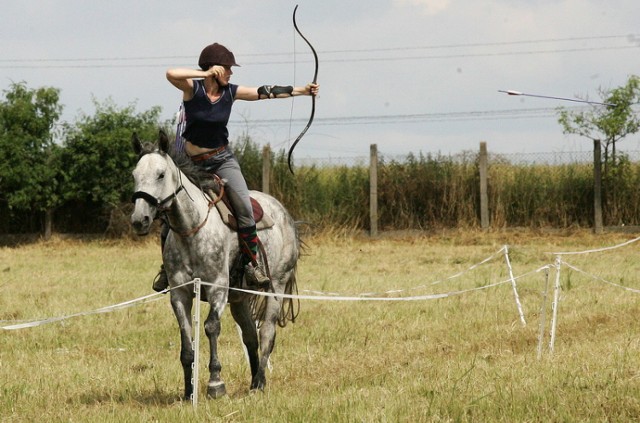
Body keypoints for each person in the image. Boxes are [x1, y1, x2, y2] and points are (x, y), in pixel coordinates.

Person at [152, 42, 319, 293]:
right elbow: (170, 73)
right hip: (189, 164)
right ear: (215, 68)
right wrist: (204, 75)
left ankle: (252, 263)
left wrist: (302, 90)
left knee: (243, 208)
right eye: (227, 68)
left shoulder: (230, 92)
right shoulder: (192, 89)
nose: (231, 73)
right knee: (170, 208)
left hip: (222, 160)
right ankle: (168, 268)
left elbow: (264, 92)